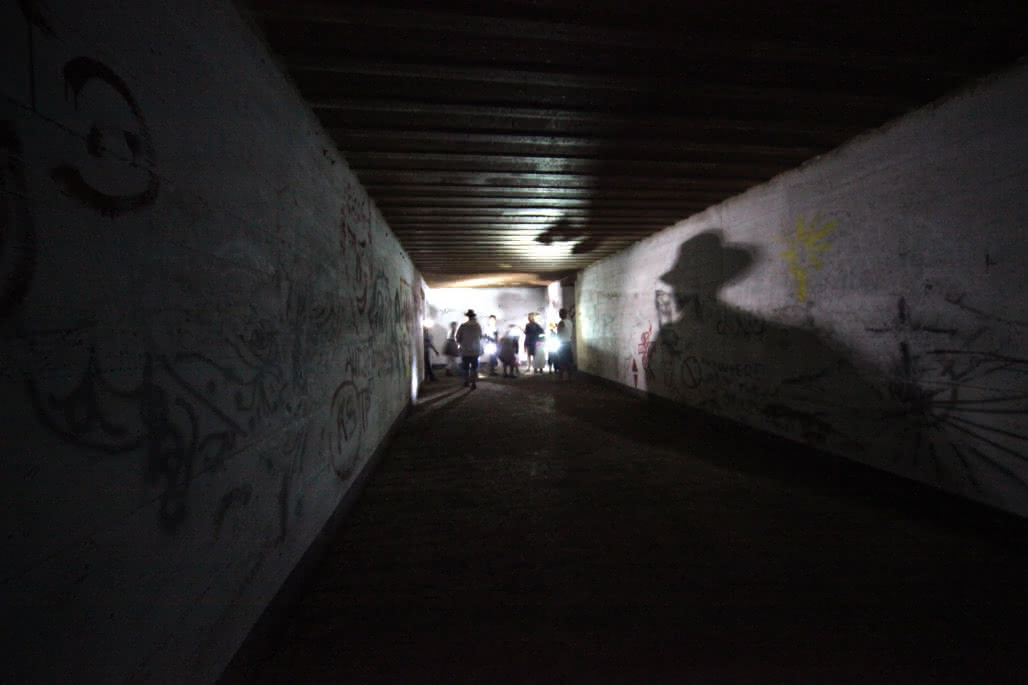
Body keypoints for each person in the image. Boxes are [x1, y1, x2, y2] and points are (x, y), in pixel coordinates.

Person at [455, 309, 483, 389]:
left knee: (466, 367)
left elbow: (457, 337)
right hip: (475, 350)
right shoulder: (477, 326)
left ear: (467, 317)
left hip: (465, 350)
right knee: (474, 367)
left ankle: (466, 381)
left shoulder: (463, 326)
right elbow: (480, 336)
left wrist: (461, 343)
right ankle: (474, 383)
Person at [557, 307, 574, 380]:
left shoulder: (561, 323)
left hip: (562, 344)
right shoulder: (570, 322)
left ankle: (561, 377)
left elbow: (559, 334)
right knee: (569, 361)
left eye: (560, 313)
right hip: (569, 343)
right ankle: (570, 377)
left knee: (561, 360)